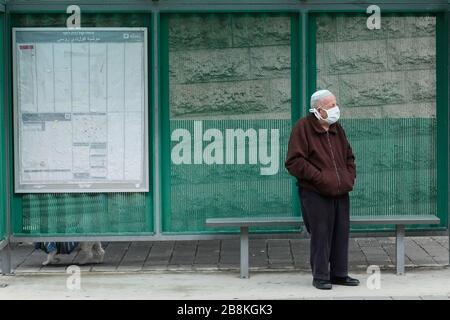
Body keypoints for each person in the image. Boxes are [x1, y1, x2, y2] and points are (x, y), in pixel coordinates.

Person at [285, 89, 360, 290]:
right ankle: (320, 276)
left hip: (340, 191)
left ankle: (339, 274)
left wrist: (348, 178)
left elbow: (349, 157)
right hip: (315, 193)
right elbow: (294, 162)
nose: (336, 109)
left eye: (336, 104)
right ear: (319, 110)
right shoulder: (303, 128)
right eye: (331, 105)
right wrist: (320, 178)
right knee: (321, 234)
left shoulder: (337, 129)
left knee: (341, 233)